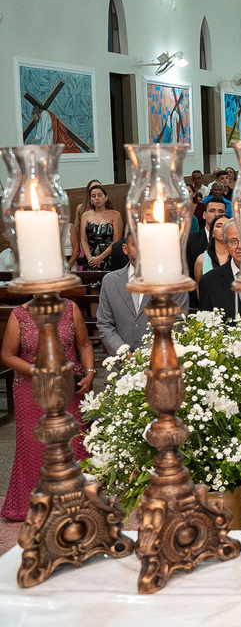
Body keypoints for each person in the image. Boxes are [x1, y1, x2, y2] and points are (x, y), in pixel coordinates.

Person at [1, 296, 93, 519]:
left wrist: (90, 373)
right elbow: (7, 355)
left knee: (73, 442)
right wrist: (36, 371)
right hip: (31, 389)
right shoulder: (19, 315)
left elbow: (85, 344)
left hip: (68, 386)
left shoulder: (70, 309)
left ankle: (79, 500)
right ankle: (37, 503)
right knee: (36, 446)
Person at [96, 237, 189, 390]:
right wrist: (125, 354)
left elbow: (178, 323)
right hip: (119, 371)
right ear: (125, 249)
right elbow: (104, 323)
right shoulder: (110, 281)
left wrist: (146, 356)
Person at [198, 220, 241, 332]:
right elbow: (204, 330)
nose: (240, 246)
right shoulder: (209, 281)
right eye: (233, 241)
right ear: (226, 245)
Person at [80, 184, 123, 271]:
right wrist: (90, 260)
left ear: (106, 197)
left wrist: (100, 258)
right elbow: (84, 240)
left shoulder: (115, 215)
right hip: (90, 257)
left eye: (100, 195)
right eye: (93, 196)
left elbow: (116, 240)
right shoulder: (85, 215)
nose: (97, 198)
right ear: (90, 200)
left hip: (109, 255)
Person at [187, 197, 227, 273]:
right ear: (204, 215)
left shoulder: (231, 241)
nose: (216, 214)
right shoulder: (191, 241)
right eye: (212, 211)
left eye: (221, 211)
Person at [192, 214, 231, 282]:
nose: (223, 229)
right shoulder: (201, 260)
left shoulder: (238, 258)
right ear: (212, 232)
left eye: (227, 226)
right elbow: (200, 289)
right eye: (219, 226)